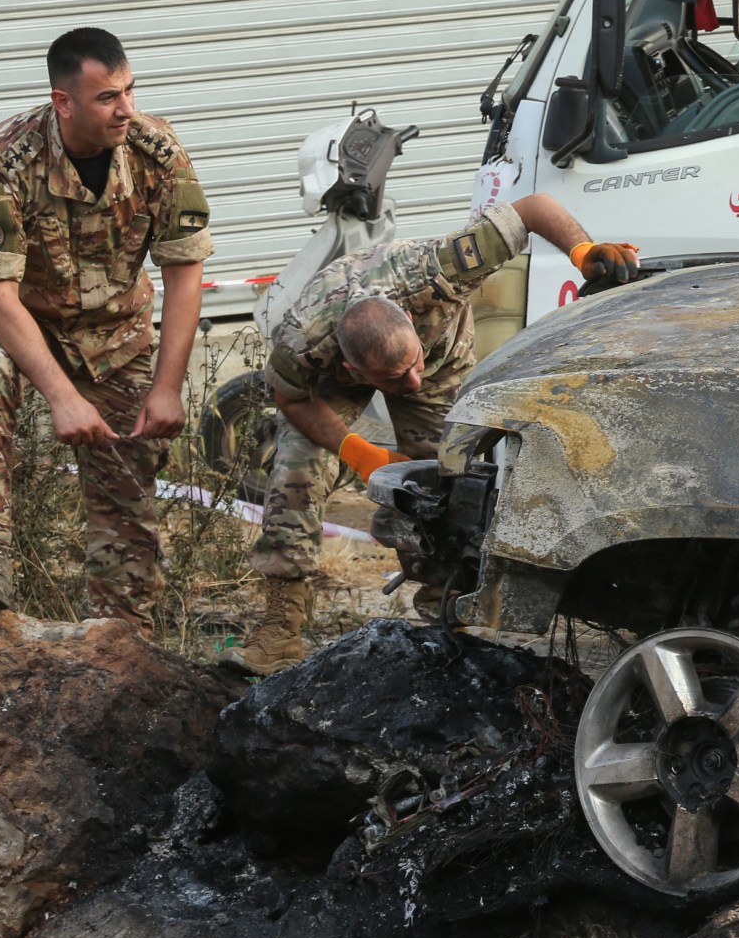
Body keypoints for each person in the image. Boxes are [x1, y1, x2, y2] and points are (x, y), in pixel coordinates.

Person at [224, 196, 639, 675]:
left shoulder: (440, 269)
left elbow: (533, 209)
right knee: (296, 468)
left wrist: (583, 251)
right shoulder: (304, 340)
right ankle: (279, 633)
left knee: (451, 478)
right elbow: (291, 398)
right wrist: (361, 454)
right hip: (334, 378)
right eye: (396, 379)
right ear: (354, 368)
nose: (411, 383)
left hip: (444, 356)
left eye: (411, 365)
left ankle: (445, 621)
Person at [0, 27, 212, 636]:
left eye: (130, 91)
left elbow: (184, 274)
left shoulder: (159, 152)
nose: (126, 109)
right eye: (108, 97)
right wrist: (63, 398)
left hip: (114, 328)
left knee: (129, 475)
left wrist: (167, 387)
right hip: (20, 317)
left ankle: (122, 637)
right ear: (63, 102)